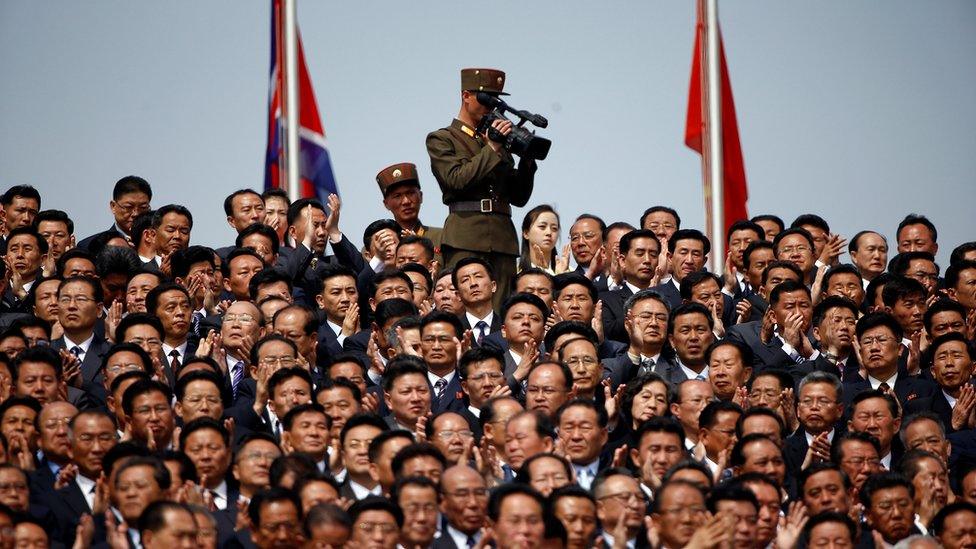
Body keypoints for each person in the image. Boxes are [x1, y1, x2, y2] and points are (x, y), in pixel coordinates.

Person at [426, 68, 538, 310]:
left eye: (496, 99)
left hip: (502, 239)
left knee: (501, 311)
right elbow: (456, 180)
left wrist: (527, 162)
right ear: (466, 96)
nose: (491, 106)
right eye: (485, 98)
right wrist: (493, 148)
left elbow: (518, 197)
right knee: (462, 308)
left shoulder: (496, 141)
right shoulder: (443, 138)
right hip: (465, 236)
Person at [519, 204, 565, 273]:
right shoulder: (514, 274)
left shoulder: (567, 272)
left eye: (554, 228)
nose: (549, 232)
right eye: (542, 227)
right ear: (526, 233)